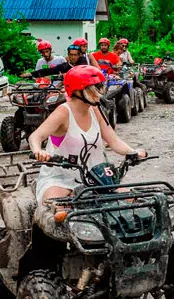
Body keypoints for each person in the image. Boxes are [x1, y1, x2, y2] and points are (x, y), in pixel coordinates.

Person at [29, 65, 146, 204]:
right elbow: (36, 136)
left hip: (96, 177)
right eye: (96, 87)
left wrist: (133, 152)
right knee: (58, 209)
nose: (101, 91)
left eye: (100, 86)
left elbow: (113, 141)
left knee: (130, 201)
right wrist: (38, 151)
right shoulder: (64, 112)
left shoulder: (95, 110)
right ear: (79, 90)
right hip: (61, 179)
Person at [22, 45, 87, 79]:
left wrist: (66, 75)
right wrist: (30, 74)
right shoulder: (65, 65)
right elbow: (49, 70)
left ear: (79, 55)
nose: (73, 57)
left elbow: (79, 71)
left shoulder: (83, 61)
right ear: (68, 55)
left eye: (75, 55)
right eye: (71, 55)